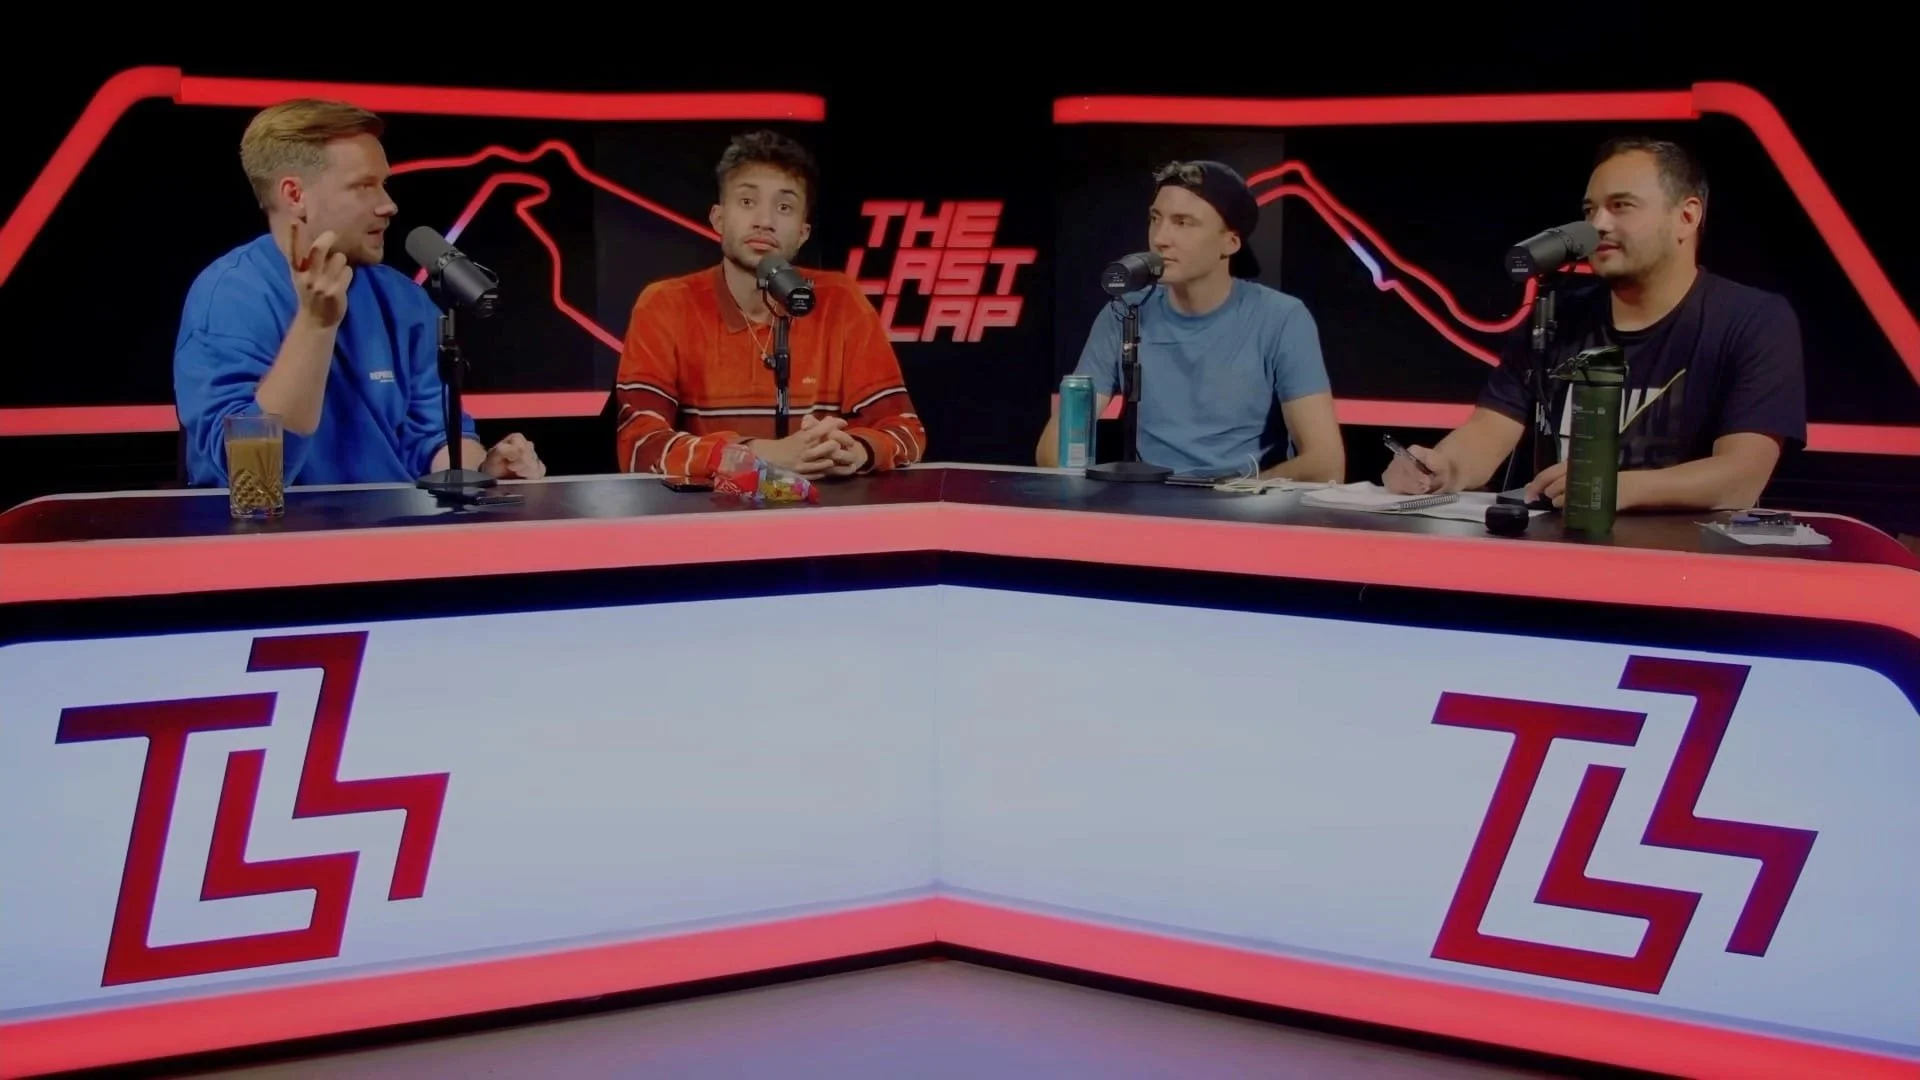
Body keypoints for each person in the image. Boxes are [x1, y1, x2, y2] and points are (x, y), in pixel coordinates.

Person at [1383, 137, 1804, 511]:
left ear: (1687, 217)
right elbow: (1486, 434)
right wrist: (1439, 468)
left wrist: (1613, 487)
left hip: (1686, 560)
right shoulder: (1555, 317)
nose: (1598, 224)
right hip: (1559, 555)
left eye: (1621, 206)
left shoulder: (1753, 319)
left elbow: (1741, 477)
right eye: (1590, 210)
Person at [174, 99, 544, 487]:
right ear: (295, 195)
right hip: (272, 525)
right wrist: (315, 324)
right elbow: (254, 476)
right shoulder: (229, 298)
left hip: (395, 522)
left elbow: (433, 438)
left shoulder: (403, 299)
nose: (388, 205)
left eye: (383, 184)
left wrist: (482, 471)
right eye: (363, 186)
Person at [615, 130, 925, 480]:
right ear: (718, 218)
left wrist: (855, 450)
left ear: (803, 233)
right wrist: (756, 456)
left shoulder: (840, 300)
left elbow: (905, 430)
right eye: (748, 202)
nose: (765, 222)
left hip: (824, 508)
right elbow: (640, 446)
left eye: (784, 207)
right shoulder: (665, 305)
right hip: (712, 510)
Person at [1036, 160, 1343, 483]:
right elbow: (1054, 450)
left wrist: (1238, 494)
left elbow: (1325, 462)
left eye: (1183, 222)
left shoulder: (1281, 318)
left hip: (1243, 503)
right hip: (1146, 503)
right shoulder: (1125, 312)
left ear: (1230, 242)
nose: (1160, 238)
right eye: (1156, 219)